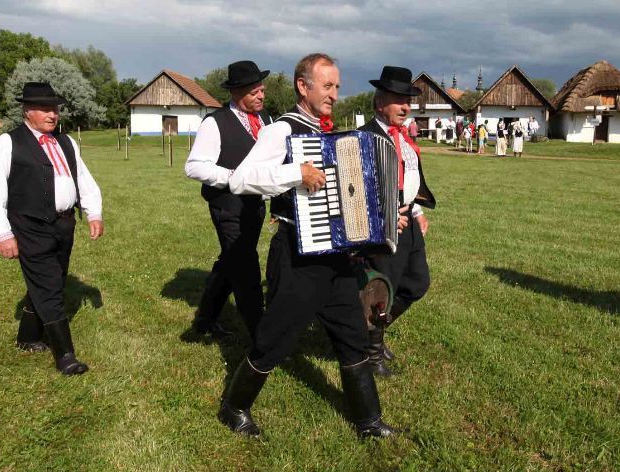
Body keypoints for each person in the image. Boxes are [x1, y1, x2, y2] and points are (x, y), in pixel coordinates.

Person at [218, 53, 399, 439]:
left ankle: (368, 421)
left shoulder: (330, 133)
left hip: (334, 258)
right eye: (328, 85)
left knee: (352, 335)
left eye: (337, 86)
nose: (334, 93)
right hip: (296, 254)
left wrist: (383, 218)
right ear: (304, 86)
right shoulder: (282, 130)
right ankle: (234, 407)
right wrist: (294, 173)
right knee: (275, 339)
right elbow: (240, 180)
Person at [0, 82, 103, 375]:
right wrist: (2, 233)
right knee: (49, 288)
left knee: (54, 281)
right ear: (27, 111)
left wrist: (93, 211)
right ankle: (65, 355)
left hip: (64, 224)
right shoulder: (7, 144)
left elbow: (82, 178)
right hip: (29, 226)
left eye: (55, 109)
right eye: (45, 109)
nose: (53, 115)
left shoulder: (67, 142)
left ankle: (27, 337)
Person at [184, 61, 272, 341]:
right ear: (236, 92)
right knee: (245, 266)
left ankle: (205, 320)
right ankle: (261, 335)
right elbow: (194, 166)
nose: (261, 96)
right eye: (254, 91)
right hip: (228, 207)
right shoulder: (215, 122)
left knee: (230, 261)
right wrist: (234, 177)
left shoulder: (267, 121)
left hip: (255, 206)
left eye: (262, 90)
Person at [359, 66, 437, 378]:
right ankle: (372, 352)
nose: (406, 106)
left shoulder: (403, 138)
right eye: (398, 100)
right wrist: (385, 216)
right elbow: (357, 187)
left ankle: (373, 333)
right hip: (383, 225)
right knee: (381, 291)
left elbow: (411, 179)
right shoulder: (365, 137)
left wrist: (416, 212)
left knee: (417, 283)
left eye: (408, 101)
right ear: (380, 103)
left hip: (408, 221)